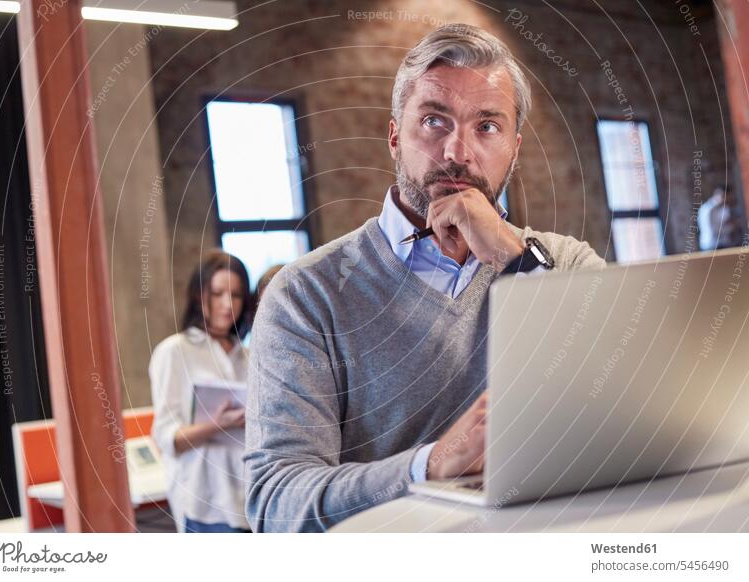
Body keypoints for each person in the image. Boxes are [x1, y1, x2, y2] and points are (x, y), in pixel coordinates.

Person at [244, 23, 606, 533]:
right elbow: (276, 503)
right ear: (395, 136)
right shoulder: (306, 295)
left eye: (487, 126)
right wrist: (431, 465)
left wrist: (511, 255)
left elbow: (627, 392)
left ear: (515, 148)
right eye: (435, 121)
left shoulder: (565, 264)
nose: (458, 152)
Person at [150, 249, 253, 533]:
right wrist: (216, 425)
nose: (227, 304)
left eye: (235, 295)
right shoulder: (175, 351)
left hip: (252, 499)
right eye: (217, 293)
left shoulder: (249, 355)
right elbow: (166, 438)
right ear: (199, 296)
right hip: (206, 503)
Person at [698, 185, 745, 250]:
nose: (728, 200)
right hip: (712, 246)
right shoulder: (708, 209)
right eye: (727, 197)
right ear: (721, 195)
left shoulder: (724, 207)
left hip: (725, 244)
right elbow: (714, 230)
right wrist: (734, 226)